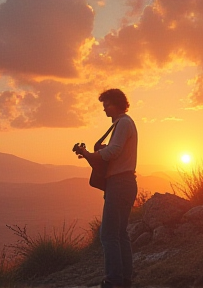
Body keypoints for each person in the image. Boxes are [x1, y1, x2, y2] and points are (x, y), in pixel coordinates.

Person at [78, 88, 138, 288]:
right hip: (125, 183)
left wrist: (90, 154)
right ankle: (124, 280)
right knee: (120, 234)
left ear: (118, 103)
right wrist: (90, 155)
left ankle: (113, 281)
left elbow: (114, 151)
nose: (104, 109)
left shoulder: (123, 123)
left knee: (108, 235)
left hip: (120, 183)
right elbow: (114, 153)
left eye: (107, 105)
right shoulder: (123, 123)